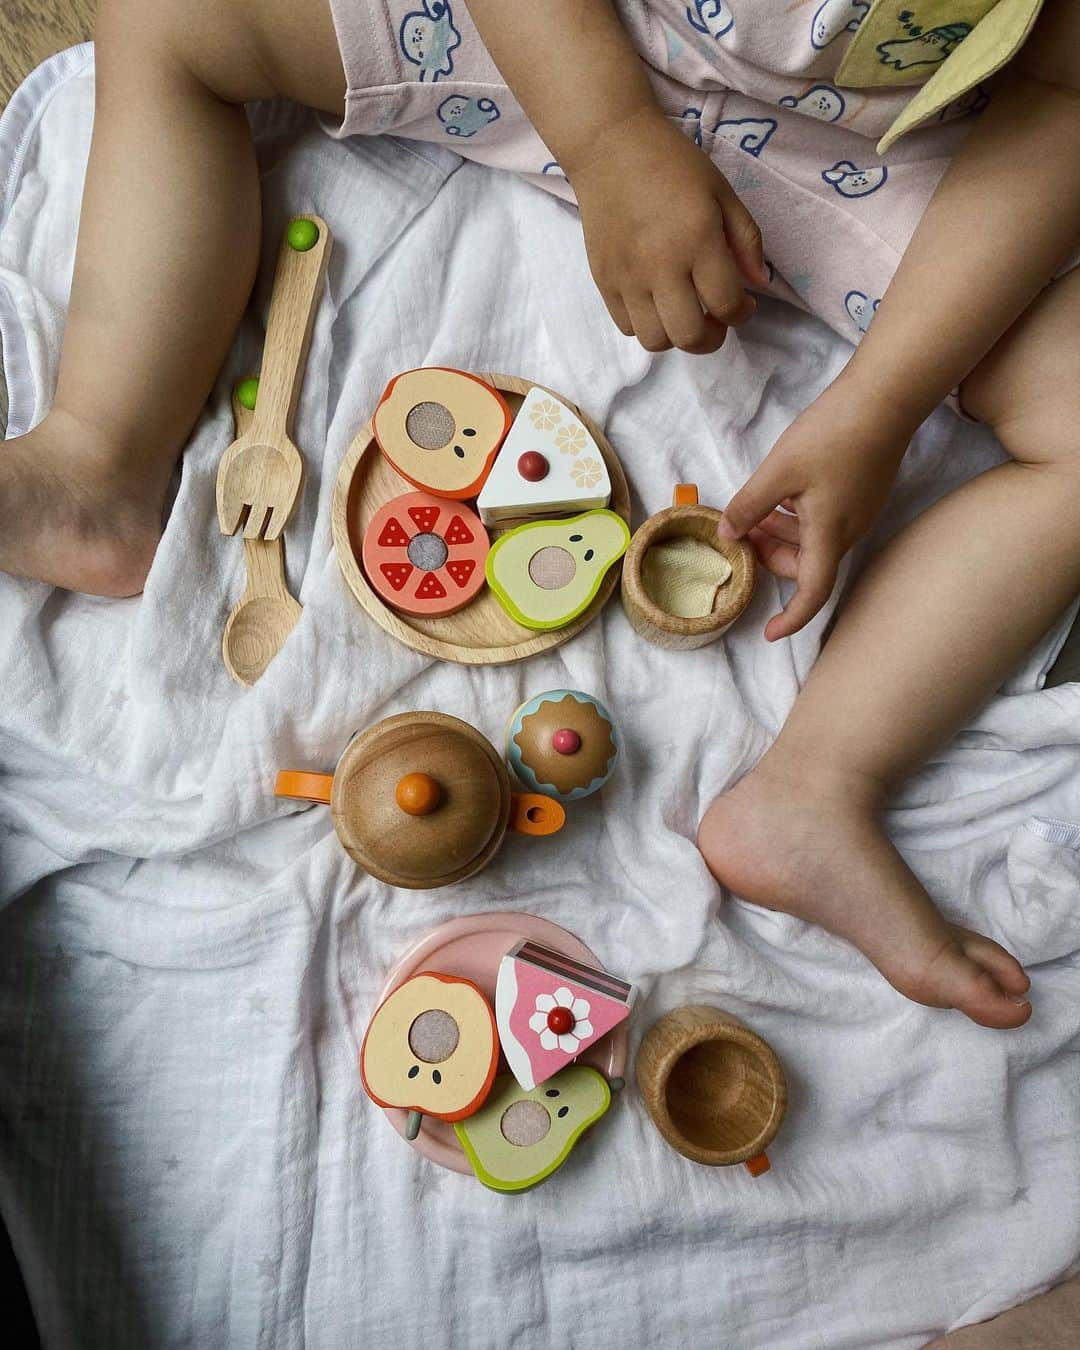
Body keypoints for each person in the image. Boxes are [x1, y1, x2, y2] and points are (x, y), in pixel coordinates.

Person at [4, 0, 1078, 1025]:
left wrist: (880, 404)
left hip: (898, 161)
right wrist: (607, 136)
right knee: (169, 18)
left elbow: (1061, 105)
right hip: (580, 41)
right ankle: (102, 462)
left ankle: (814, 789)